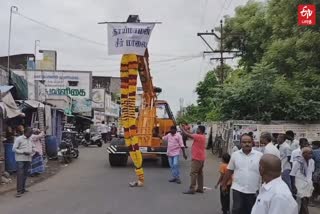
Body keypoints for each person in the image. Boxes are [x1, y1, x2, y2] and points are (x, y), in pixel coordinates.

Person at [221, 134, 263, 214]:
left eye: (249, 142)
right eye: (244, 142)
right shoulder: (235, 155)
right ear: (240, 143)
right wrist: (224, 184)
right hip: (238, 189)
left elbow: (263, 172)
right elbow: (229, 170)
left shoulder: (259, 156)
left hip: (253, 189)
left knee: (251, 210)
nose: (247, 144)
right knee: (237, 209)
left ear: (252, 143)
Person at [180, 125, 206, 194]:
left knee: (193, 173)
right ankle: (200, 188)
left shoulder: (198, 136)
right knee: (200, 173)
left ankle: (192, 189)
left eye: (197, 129)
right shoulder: (202, 136)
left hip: (197, 158)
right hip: (201, 158)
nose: (196, 130)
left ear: (200, 130)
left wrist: (182, 128)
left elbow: (187, 134)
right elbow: (190, 133)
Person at [290, 147, 315, 214]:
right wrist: (293, 186)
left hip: (308, 184)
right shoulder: (297, 161)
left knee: (306, 201)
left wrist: (311, 183)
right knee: (303, 201)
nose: (311, 155)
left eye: (311, 154)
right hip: (299, 184)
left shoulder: (312, 161)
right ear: (304, 154)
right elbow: (292, 174)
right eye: (309, 154)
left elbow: (311, 172)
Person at [12, 128, 35, 197]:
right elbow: (14, 149)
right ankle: (19, 191)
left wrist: (33, 151)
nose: (30, 135)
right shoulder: (19, 139)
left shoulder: (30, 139)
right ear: (25, 132)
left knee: (25, 174)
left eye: (31, 133)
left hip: (28, 159)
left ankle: (23, 188)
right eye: (29, 133)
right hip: (20, 159)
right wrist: (23, 152)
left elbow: (33, 147)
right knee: (20, 174)